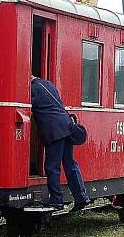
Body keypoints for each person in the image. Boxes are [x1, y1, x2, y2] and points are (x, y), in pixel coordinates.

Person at [30, 76, 90, 212]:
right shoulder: (48, 84)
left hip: (55, 131)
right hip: (67, 126)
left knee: (52, 167)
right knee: (70, 164)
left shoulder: (32, 89)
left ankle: (56, 201)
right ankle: (81, 197)